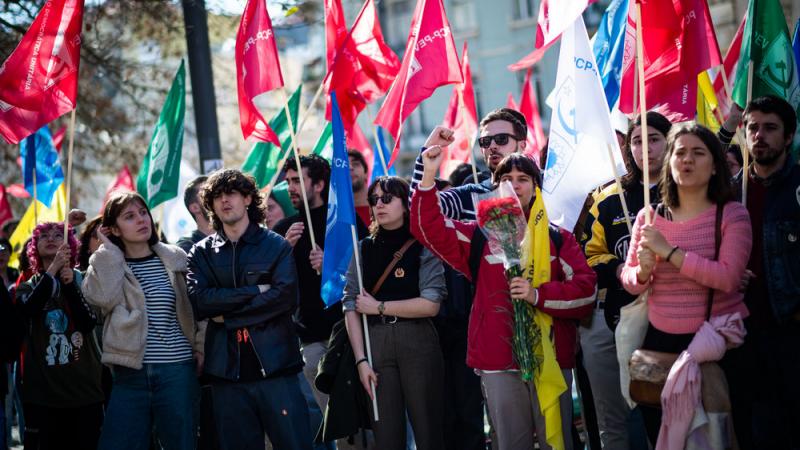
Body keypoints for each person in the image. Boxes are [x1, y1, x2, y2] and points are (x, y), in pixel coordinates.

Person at [412, 150, 596, 450]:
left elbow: (586, 290)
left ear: (536, 186)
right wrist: (427, 175)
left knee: (557, 443)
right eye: (506, 179)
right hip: (497, 360)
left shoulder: (559, 238)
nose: (514, 185)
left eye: (522, 179)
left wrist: (538, 295)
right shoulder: (478, 236)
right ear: (494, 187)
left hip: (549, 358)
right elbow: (426, 226)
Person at [620, 124, 752, 445]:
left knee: (725, 439)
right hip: (660, 348)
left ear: (715, 164)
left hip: (718, 348)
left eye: (698, 152)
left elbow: (727, 278)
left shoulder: (732, 215)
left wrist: (670, 253)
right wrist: (641, 272)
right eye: (680, 152)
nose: (687, 160)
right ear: (669, 162)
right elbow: (631, 282)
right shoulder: (648, 217)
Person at [186, 169, 311, 450]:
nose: (224, 200)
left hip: (277, 369)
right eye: (217, 196)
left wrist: (225, 314)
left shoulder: (275, 245)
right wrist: (255, 291)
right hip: (226, 375)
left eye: (231, 193)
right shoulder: (201, 252)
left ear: (247, 199)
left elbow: (285, 299)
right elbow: (200, 301)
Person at [578, 112, 672, 450]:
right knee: (630, 413)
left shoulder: (688, 189)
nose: (645, 148)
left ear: (670, 141)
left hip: (679, 319)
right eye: (636, 141)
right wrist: (620, 269)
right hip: (623, 317)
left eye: (654, 139)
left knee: (678, 411)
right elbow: (588, 253)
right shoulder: (606, 199)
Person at [82, 191, 204, 450]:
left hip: (177, 370)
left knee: (181, 444)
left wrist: (201, 347)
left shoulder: (176, 258)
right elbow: (102, 298)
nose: (141, 220)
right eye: (129, 216)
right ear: (114, 228)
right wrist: (109, 251)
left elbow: (198, 309)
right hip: (130, 373)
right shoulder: (106, 264)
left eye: (143, 213)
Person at [342, 176, 446, 450]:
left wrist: (379, 307)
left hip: (418, 340)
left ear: (406, 203)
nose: (379, 205)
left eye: (387, 198)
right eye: (374, 199)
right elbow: (350, 304)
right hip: (375, 343)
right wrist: (361, 360)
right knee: (386, 434)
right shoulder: (362, 247)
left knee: (428, 431)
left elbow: (431, 303)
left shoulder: (423, 245)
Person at [732, 95, 800, 449]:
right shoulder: (729, 193)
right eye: (752, 128)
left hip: (791, 333)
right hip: (743, 335)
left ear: (788, 136)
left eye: (770, 128)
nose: (759, 136)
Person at [15, 222, 104, 450]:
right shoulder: (26, 287)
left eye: (57, 234)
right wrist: (53, 270)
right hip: (43, 396)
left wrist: (69, 286)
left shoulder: (83, 281)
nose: (51, 238)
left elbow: (87, 323)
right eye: (43, 235)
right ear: (34, 247)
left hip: (84, 394)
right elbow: (29, 311)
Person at [409, 108, 529, 221]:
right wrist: (425, 157)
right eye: (485, 141)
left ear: (522, 145)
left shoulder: (545, 184)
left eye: (502, 139)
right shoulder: (468, 196)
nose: (492, 146)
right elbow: (419, 213)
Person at [176, 175, 213, 253]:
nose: (215, 197)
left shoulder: (232, 237)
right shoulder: (187, 246)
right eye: (207, 194)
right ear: (195, 208)